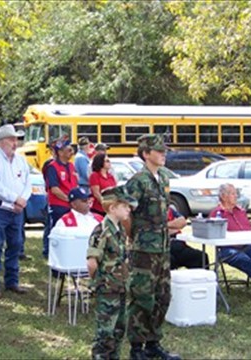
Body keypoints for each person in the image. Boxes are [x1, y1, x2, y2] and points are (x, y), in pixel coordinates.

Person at [125, 134, 180, 360]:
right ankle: (137, 348)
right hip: (144, 250)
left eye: (164, 150)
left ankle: (153, 343)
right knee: (142, 297)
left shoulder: (164, 178)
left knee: (163, 295)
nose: (163, 154)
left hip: (162, 248)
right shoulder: (138, 180)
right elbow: (125, 211)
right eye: (158, 151)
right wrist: (133, 236)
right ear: (146, 154)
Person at [87, 186, 137, 360]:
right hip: (107, 290)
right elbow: (92, 262)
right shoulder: (102, 231)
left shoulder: (121, 230)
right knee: (105, 332)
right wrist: (100, 281)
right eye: (125, 206)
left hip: (121, 287)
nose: (128, 209)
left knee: (118, 330)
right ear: (112, 208)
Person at [0, 124, 32, 298]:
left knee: (16, 244)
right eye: (11, 139)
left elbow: (28, 183)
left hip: (16, 208)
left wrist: (22, 200)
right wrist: (16, 198)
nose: (15, 142)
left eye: (16, 139)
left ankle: (12, 281)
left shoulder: (20, 160)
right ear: (1, 141)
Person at [42, 138, 78, 259]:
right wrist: (69, 199)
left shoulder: (71, 166)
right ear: (60, 152)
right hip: (58, 205)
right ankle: (51, 253)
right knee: (55, 230)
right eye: (68, 150)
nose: (71, 152)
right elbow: (54, 189)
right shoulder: (52, 167)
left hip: (71, 205)